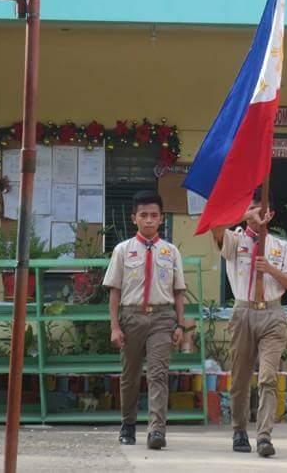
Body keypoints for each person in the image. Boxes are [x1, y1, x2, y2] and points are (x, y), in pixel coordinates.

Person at [211, 189, 287, 458]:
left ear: (270, 214)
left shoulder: (280, 246)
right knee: (240, 377)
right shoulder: (235, 239)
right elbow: (215, 227)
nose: (255, 214)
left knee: (268, 377)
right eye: (250, 208)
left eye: (260, 209)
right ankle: (239, 429)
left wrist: (270, 269)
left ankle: (264, 435)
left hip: (272, 313)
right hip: (243, 312)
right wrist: (243, 214)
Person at [104, 191, 187, 450]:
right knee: (130, 375)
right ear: (134, 218)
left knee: (158, 374)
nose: (149, 220)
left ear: (161, 218)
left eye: (154, 215)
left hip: (162, 318)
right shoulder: (122, 250)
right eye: (143, 215)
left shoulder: (170, 252)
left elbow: (179, 292)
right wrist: (115, 326)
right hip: (131, 317)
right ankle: (128, 424)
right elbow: (115, 291)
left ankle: (156, 430)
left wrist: (180, 324)